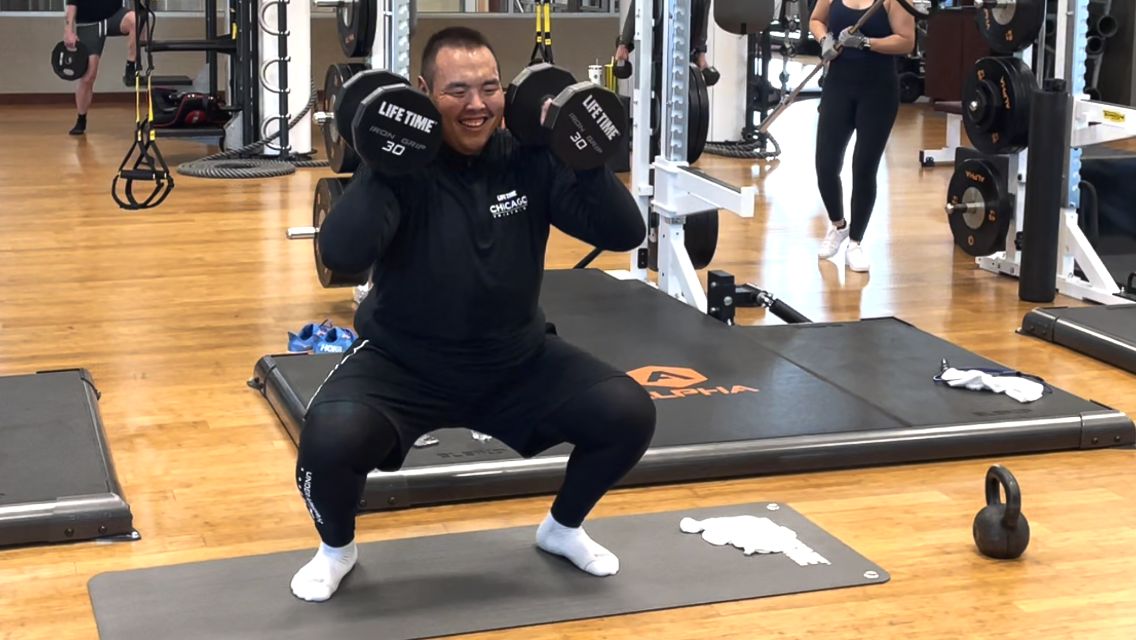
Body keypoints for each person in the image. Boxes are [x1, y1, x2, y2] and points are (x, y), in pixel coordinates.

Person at [289, 27, 657, 603]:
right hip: (403, 364)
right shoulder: (403, 166)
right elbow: (341, 254)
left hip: (516, 360)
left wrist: (587, 161)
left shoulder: (529, 159)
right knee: (328, 442)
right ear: (422, 92)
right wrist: (381, 164)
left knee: (627, 413)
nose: (477, 105)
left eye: (489, 88)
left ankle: (561, 530)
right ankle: (337, 549)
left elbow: (624, 232)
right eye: (457, 90)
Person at [810, 0, 914, 272]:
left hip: (878, 92)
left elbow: (906, 42)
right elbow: (816, 19)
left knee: (864, 168)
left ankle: (855, 242)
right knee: (825, 165)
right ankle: (838, 225)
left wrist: (867, 43)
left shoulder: (894, 1)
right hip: (838, 87)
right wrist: (825, 40)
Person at [63, 0, 141, 135]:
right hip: (89, 22)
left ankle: (131, 66)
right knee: (88, 77)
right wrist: (68, 30)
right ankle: (81, 119)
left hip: (115, 15)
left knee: (136, 20)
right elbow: (71, 4)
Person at [614, 0, 714, 76]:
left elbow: (703, 14)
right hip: (658, 54)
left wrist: (700, 52)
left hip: (683, 56)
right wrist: (624, 43)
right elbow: (638, 6)